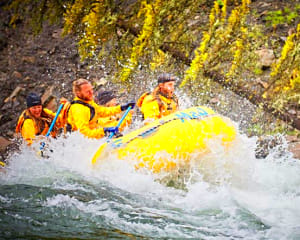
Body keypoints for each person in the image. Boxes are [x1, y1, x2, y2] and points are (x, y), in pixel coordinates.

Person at [66, 78, 135, 139]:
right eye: (87, 91)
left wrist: (122, 107)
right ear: (78, 93)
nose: (91, 93)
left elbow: (102, 111)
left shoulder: (88, 102)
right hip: (80, 143)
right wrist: (104, 131)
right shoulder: (79, 110)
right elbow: (84, 134)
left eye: (91, 90)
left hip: (92, 137)